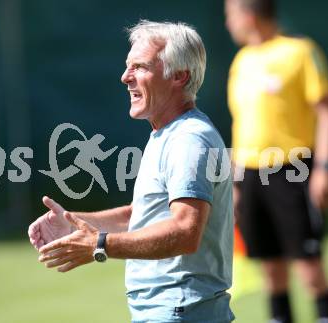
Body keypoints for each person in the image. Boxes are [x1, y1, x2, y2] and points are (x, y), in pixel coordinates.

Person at [28, 20, 235, 323]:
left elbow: (185, 231)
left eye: (140, 67)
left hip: (181, 311)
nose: (125, 77)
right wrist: (75, 223)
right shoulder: (168, 134)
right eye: (128, 66)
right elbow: (140, 217)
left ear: (179, 76)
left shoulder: (189, 139)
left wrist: (99, 245)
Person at [224, 0, 328, 322]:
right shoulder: (242, 60)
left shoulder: (300, 52)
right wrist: (235, 183)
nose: (228, 24)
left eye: (229, 16)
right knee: (271, 270)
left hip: (293, 170)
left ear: (248, 16)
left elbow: (327, 111)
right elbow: (242, 126)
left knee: (309, 268)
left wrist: (325, 168)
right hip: (250, 176)